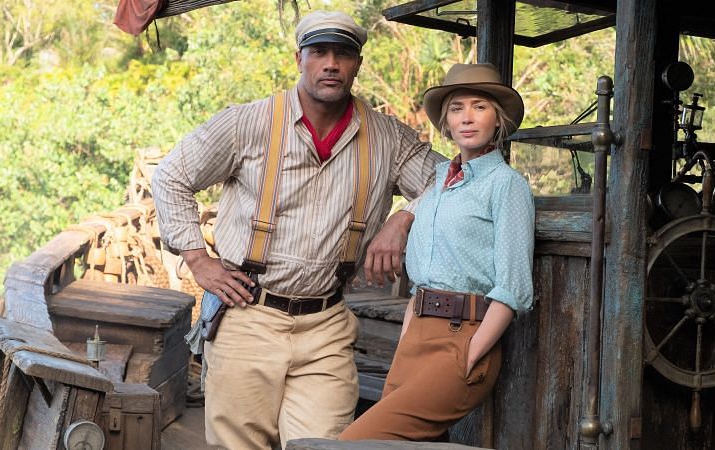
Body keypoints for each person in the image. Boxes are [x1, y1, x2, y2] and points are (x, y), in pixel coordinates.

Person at [150, 10, 445, 450]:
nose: (331, 64)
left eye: (343, 54)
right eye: (319, 52)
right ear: (299, 59)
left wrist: (404, 217)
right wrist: (197, 259)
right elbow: (171, 176)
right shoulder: (247, 123)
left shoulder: (387, 138)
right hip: (248, 315)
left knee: (323, 445)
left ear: (357, 64)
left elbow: (453, 182)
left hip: (326, 324)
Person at [340, 63, 535, 441]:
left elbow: (513, 287)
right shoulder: (439, 184)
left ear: (498, 119)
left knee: (357, 442)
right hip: (416, 337)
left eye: (480, 106)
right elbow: (422, 281)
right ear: (446, 121)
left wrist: (472, 351)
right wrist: (407, 340)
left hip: (464, 338)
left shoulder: (506, 186)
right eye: (457, 108)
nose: (467, 117)